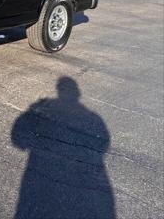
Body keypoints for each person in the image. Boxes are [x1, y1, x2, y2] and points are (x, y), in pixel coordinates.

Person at [11, 77, 115, 219]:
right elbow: (103, 144)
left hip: (41, 167)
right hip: (79, 175)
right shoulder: (93, 117)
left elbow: (18, 138)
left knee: (36, 203)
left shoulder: (46, 106)